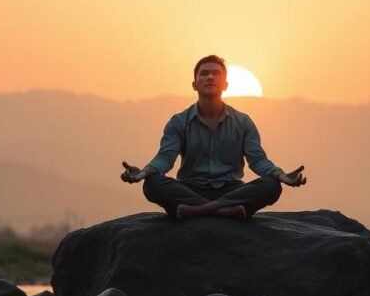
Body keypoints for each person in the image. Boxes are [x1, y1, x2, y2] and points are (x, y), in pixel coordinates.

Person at [120, 55, 307, 220]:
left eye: (216, 73)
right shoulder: (178, 122)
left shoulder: (243, 122)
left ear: (225, 85)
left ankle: (198, 211)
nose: (210, 77)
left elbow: (258, 160)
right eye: (204, 73)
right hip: (190, 189)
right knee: (152, 184)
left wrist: (281, 176)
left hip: (231, 190)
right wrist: (143, 173)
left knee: (272, 185)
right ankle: (223, 211)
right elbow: (165, 158)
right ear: (194, 84)